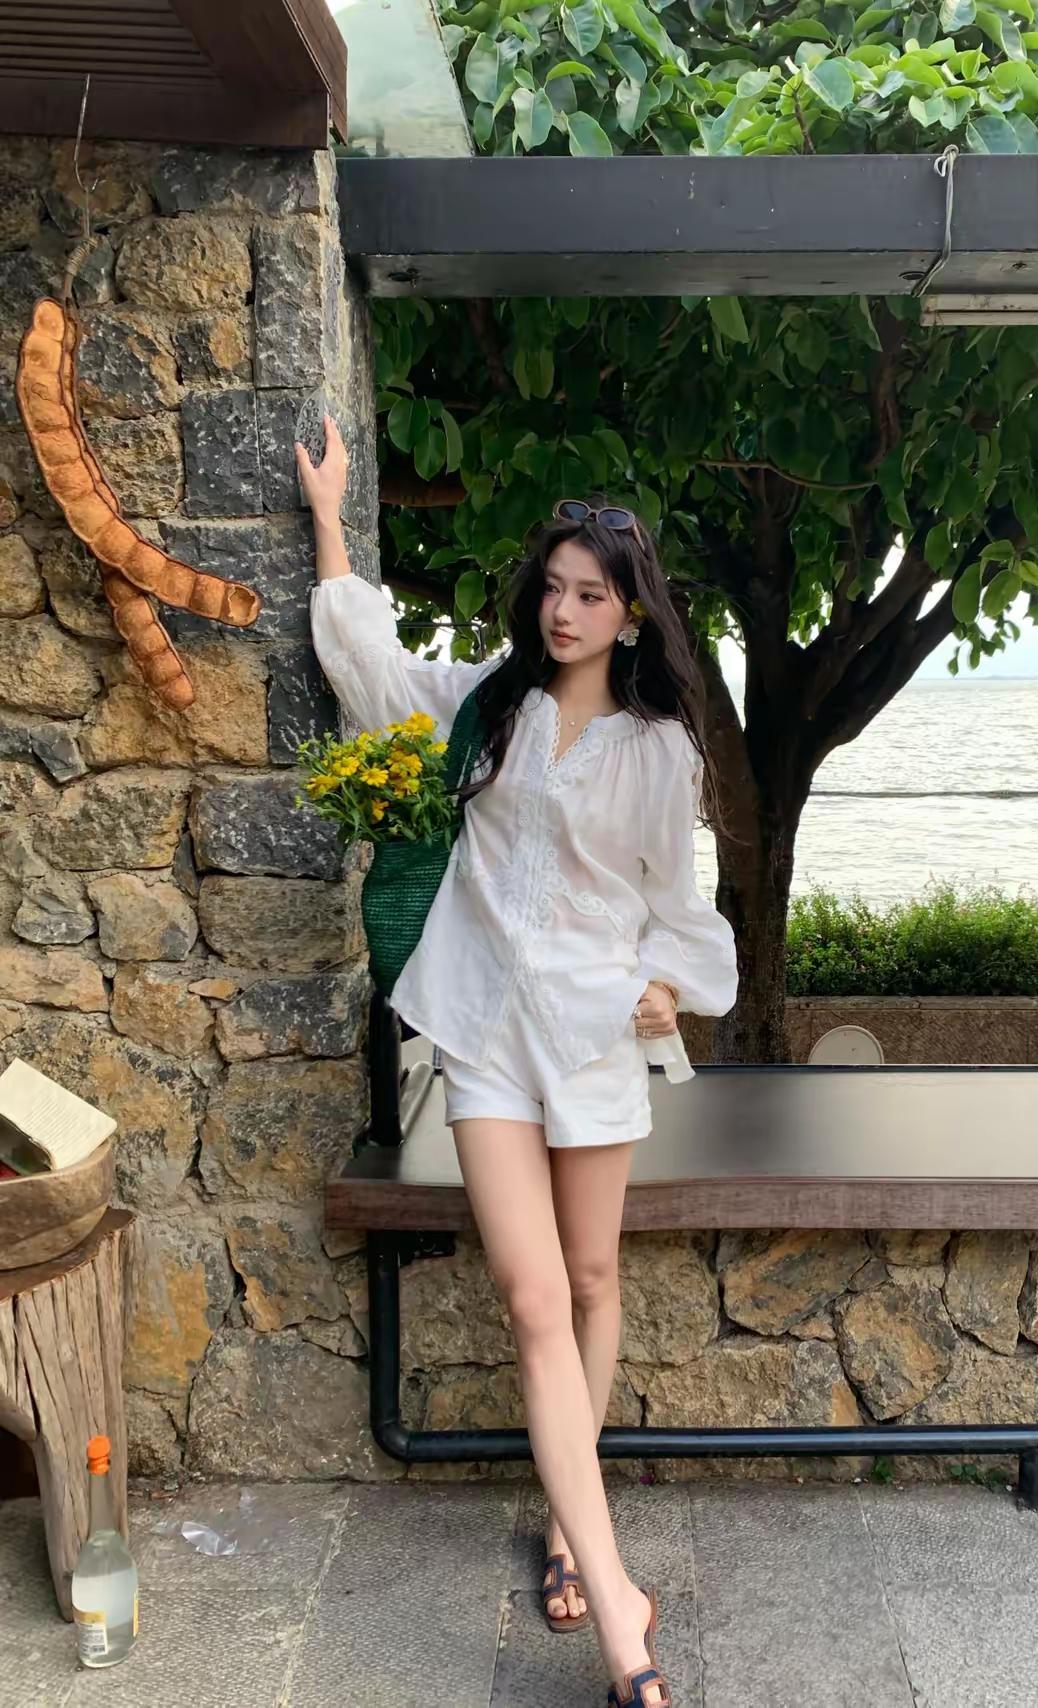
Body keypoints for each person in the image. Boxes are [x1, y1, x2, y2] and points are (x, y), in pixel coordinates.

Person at [298, 417, 738, 1708]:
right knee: (535, 1300)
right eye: (552, 586)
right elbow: (377, 676)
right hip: (485, 1030)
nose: (562, 610)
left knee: (593, 1280)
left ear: (631, 612)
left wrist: (670, 988)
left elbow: (674, 901)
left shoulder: (658, 750)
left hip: (595, 1034)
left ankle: (566, 1525)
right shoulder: (495, 699)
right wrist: (329, 522)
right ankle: (620, 1615)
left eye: (590, 594)